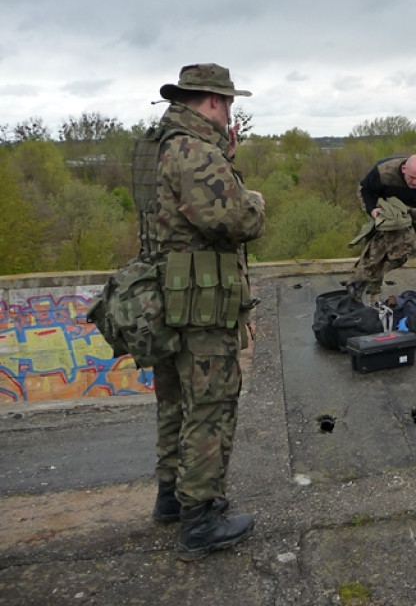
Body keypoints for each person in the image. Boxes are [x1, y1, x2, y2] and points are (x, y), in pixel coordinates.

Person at [146, 63, 266, 560]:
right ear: (214, 102)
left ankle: (171, 498)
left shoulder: (170, 144)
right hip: (203, 302)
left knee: (176, 400)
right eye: (229, 104)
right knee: (211, 404)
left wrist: (227, 158)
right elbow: (232, 217)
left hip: (176, 296)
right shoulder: (195, 150)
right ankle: (201, 518)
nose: (229, 114)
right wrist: (254, 200)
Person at [347, 154, 416, 306]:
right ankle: (374, 298)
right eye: (412, 177)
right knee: (376, 253)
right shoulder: (383, 172)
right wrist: (372, 210)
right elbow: (365, 190)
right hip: (388, 213)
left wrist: (407, 213)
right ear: (404, 169)